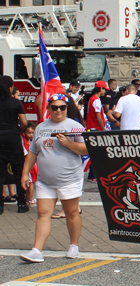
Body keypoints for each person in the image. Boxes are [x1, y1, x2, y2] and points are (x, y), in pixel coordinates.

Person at [20, 94, 88, 262]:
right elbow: (33, 153)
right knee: (43, 213)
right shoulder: (41, 128)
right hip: (45, 180)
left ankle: (74, 245)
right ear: (49, 108)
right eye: (55, 107)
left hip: (69, 178)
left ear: (66, 108)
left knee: (72, 213)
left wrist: (69, 144)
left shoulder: (75, 126)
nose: (58, 110)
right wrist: (24, 173)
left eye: (62, 107)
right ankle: (37, 250)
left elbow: (86, 149)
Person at [0, 75, 29, 214]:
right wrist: (17, 130)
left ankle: (0, 205)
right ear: (11, 87)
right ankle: (22, 203)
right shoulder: (16, 103)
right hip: (12, 138)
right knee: (18, 171)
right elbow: (24, 122)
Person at [86, 80, 110, 183]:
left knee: (95, 153)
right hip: (96, 128)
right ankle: (93, 175)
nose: (105, 91)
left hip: (92, 128)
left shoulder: (92, 99)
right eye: (104, 89)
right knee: (97, 154)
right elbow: (98, 117)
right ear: (100, 89)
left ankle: (93, 174)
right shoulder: (96, 100)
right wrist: (103, 130)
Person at [21, 123, 38, 206]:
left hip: (31, 164)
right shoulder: (25, 142)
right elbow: (27, 154)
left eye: (32, 133)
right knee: (30, 182)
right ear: (24, 133)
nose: (31, 135)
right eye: (29, 133)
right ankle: (30, 199)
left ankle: (28, 198)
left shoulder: (29, 141)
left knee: (30, 182)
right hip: (28, 164)